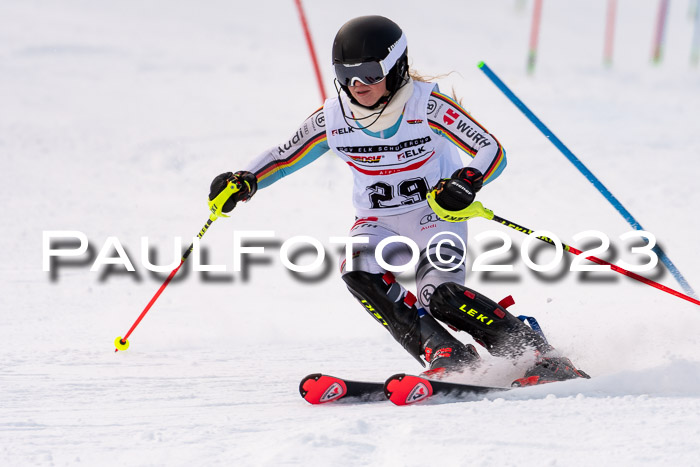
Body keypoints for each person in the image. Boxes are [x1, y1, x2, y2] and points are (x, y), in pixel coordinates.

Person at [209, 15, 588, 385]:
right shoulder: (334, 117)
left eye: (371, 72)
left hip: (435, 219)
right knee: (357, 271)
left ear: (395, 67)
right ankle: (444, 352)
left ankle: (537, 353)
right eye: (346, 74)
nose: (358, 84)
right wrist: (244, 181)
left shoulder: (426, 106)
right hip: (377, 222)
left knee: (439, 296)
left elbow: (491, 150)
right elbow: (285, 156)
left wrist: (466, 182)